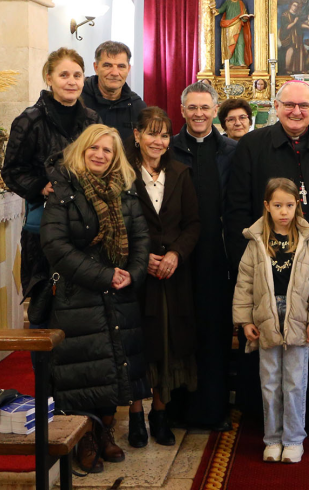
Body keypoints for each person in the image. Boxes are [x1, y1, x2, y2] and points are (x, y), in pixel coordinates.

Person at [225, 79, 309, 429]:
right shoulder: (252, 145)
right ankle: (263, 415)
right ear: (276, 107)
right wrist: (245, 260)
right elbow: (236, 208)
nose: (297, 111)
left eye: (304, 105)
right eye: (290, 105)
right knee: (266, 340)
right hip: (266, 264)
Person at [40, 124, 148, 473]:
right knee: (82, 368)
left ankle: (104, 432)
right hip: (78, 293)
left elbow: (140, 237)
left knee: (113, 364)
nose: (100, 155)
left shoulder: (124, 189)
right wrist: (103, 275)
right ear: (82, 150)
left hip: (119, 293)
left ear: (116, 157)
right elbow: (54, 245)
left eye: (108, 150)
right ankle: (83, 437)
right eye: (94, 148)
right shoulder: (64, 188)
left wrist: (133, 272)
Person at [233, 177, 309, 463]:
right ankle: (273, 438)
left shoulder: (308, 241)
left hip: (298, 317)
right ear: (267, 206)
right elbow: (244, 284)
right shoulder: (256, 242)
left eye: (289, 205)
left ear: (297, 205)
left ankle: (293, 439)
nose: (284, 211)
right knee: (270, 381)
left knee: (295, 381)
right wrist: (244, 321)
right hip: (266, 317)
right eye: (277, 206)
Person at [4, 48, 99, 327]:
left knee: (83, 304)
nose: (71, 81)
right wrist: (40, 186)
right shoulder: (30, 120)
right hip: (45, 222)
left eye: (77, 75)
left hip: (85, 221)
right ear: (49, 78)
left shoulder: (92, 119)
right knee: (47, 302)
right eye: (64, 75)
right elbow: (12, 170)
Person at [127, 107, 201, 448]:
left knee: (166, 345)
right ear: (137, 135)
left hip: (172, 276)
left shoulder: (181, 173)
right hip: (135, 277)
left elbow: (193, 223)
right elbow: (116, 224)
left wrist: (175, 254)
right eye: (151, 133)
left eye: (164, 135)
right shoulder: (122, 173)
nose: (157, 141)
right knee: (137, 344)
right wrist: (141, 258)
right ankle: (135, 414)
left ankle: (160, 413)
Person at [169, 82, 237, 431]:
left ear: (215, 111)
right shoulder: (169, 149)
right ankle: (176, 410)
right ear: (182, 110)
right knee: (180, 331)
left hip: (217, 255)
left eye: (204, 108)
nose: (198, 114)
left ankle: (214, 409)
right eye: (192, 107)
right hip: (178, 256)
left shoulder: (231, 151)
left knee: (215, 332)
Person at [81, 41, 146, 151]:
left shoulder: (138, 107)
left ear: (128, 69)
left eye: (121, 66)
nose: (115, 73)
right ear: (96, 67)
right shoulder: (78, 100)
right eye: (107, 65)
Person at [215, 0, 254, 68]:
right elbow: (220, 10)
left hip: (239, 25)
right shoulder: (227, 3)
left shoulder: (241, 3)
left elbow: (244, 15)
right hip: (229, 26)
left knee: (240, 43)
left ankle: (241, 61)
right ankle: (230, 62)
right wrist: (214, 10)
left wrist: (245, 18)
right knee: (230, 44)